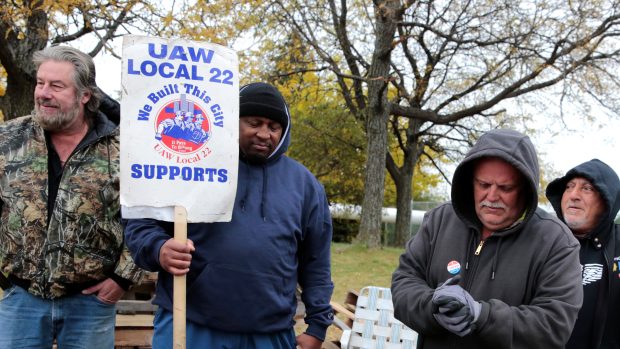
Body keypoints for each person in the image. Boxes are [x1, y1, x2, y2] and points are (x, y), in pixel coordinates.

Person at [124, 82, 334, 349]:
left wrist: (317, 325)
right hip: (191, 323)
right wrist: (159, 247)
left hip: (270, 332)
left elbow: (316, 261)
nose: (264, 134)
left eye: (273, 127)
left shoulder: (305, 185)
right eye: (254, 122)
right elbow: (140, 221)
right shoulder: (188, 163)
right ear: (233, 121)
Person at [0, 45, 144, 348]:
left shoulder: (122, 149)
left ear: (85, 95)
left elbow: (144, 216)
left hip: (91, 304)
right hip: (19, 300)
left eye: (56, 85)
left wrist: (122, 279)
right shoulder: (8, 140)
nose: (43, 93)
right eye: (40, 83)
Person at [391, 129, 583, 349]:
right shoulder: (440, 220)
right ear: (470, 182)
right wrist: (432, 305)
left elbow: (554, 325)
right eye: (483, 185)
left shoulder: (556, 242)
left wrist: (482, 316)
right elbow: (404, 282)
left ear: (526, 189)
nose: (491, 197)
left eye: (505, 188)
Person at [546, 159, 620, 349]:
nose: (574, 195)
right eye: (569, 187)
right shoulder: (542, 242)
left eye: (587, 189)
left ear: (607, 199)